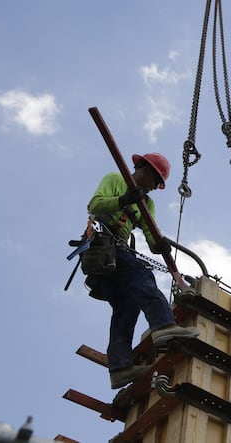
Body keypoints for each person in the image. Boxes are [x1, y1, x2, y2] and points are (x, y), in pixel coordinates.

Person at [84, 152, 199, 389]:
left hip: (115, 257)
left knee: (127, 306)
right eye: (156, 182)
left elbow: (150, 234)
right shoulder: (115, 179)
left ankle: (120, 367)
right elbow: (94, 205)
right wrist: (124, 200)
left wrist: (160, 244)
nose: (155, 188)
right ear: (145, 170)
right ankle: (164, 326)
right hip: (103, 247)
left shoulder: (148, 203)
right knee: (143, 276)